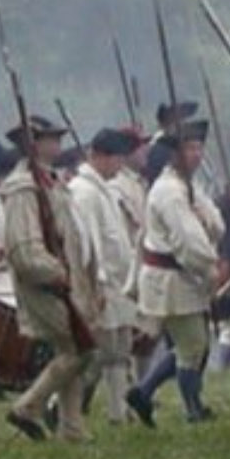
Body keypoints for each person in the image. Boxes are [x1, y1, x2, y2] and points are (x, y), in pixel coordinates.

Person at [0, 115, 103, 445]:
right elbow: (23, 249)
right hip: (46, 283)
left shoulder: (49, 182)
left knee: (73, 347)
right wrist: (56, 273)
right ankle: (28, 406)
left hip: (65, 279)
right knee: (80, 349)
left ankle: (71, 427)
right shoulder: (23, 188)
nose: (57, 144)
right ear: (33, 143)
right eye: (49, 138)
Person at [132, 118, 224, 434]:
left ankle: (143, 392)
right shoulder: (169, 191)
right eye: (189, 148)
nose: (196, 154)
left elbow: (216, 223)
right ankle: (192, 408)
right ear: (175, 153)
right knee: (193, 346)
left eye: (199, 147)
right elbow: (188, 242)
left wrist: (205, 221)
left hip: (183, 276)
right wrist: (209, 267)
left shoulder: (187, 186)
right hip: (171, 278)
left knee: (191, 344)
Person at [69, 127, 144, 427]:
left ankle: (120, 409)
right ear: (98, 157)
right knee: (104, 352)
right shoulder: (84, 191)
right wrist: (96, 281)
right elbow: (89, 240)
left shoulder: (104, 188)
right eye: (114, 158)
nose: (119, 165)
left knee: (120, 349)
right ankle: (69, 407)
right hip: (103, 282)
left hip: (117, 282)